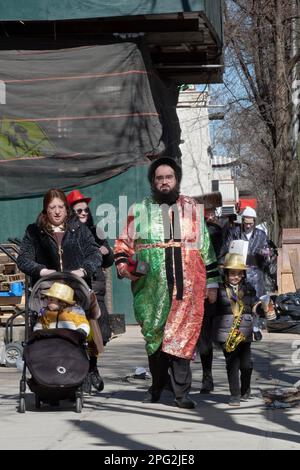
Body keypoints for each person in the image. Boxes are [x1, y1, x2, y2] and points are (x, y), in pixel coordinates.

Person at [114, 156, 220, 409]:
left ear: (176, 180)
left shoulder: (192, 209)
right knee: (156, 339)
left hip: (188, 287)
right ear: (153, 181)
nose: (164, 182)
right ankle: (157, 387)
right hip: (151, 288)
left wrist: (213, 283)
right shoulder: (137, 211)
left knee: (182, 339)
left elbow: (206, 247)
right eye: (159, 178)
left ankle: (182, 394)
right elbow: (122, 245)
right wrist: (122, 265)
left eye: (168, 177)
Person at [66, 189, 114, 392]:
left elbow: (109, 261)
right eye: (79, 210)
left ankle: (92, 367)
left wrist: (107, 252)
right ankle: (84, 372)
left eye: (85, 209)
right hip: (76, 290)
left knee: (102, 332)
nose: (84, 213)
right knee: (80, 332)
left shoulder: (97, 231)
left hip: (96, 289)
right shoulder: (68, 234)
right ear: (71, 213)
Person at [213, 253, 262, 406]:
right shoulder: (218, 289)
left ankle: (245, 388)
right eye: (232, 273)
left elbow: (255, 307)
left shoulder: (248, 289)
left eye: (239, 273)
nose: (236, 277)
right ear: (226, 274)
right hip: (225, 333)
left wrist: (263, 307)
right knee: (232, 363)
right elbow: (211, 311)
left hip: (245, 332)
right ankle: (234, 394)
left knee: (246, 365)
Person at [194, 192, 223, 394]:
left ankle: (207, 377)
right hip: (195, 287)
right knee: (202, 338)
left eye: (211, 211)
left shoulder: (214, 231)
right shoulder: (192, 231)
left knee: (207, 337)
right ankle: (205, 377)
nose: (210, 214)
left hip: (210, 284)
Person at [222, 206, 270, 298]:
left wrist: (265, 253)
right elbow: (226, 250)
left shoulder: (261, 235)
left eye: (251, 223)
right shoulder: (234, 233)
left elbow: (266, 253)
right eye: (246, 223)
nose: (248, 226)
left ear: (254, 222)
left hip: (256, 274)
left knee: (257, 301)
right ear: (242, 221)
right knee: (239, 301)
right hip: (238, 273)